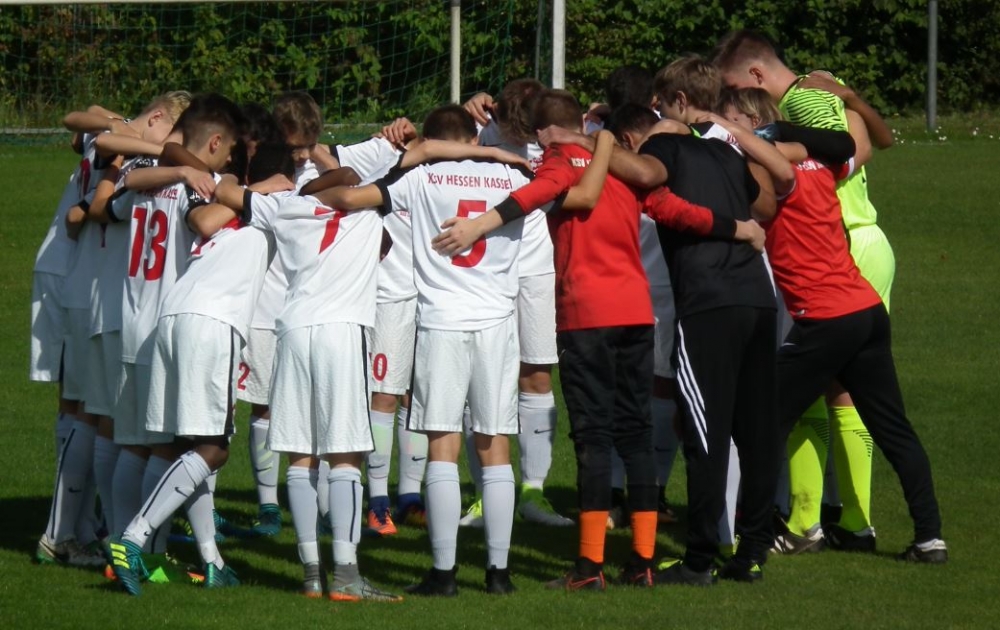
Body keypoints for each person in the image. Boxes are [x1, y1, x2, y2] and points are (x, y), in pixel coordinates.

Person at [533, 56, 788, 584]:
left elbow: (651, 180)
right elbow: (765, 201)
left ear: (677, 102)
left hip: (705, 300)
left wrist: (589, 141)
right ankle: (749, 552)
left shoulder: (664, 148)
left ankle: (696, 559)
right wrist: (738, 216)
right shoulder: (725, 149)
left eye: (662, 105)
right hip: (758, 298)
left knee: (700, 430)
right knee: (755, 428)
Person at [314, 104, 538, 596]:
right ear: (474, 140)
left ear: (431, 143)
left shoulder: (420, 177)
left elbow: (348, 198)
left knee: (443, 445)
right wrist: (497, 155)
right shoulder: (515, 176)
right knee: (495, 446)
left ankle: (443, 574)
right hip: (498, 323)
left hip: (441, 321)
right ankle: (499, 575)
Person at [719, 86, 948, 564]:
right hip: (865, 309)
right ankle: (930, 539)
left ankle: (753, 543)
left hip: (825, 320)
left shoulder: (769, 170)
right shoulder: (820, 161)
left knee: (762, 424)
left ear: (751, 122)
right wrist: (845, 107)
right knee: (893, 428)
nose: (723, 126)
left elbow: (758, 203)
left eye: (730, 117)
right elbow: (857, 146)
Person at [712, 30, 898, 551]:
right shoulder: (823, 84)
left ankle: (806, 520)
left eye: (735, 89)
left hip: (837, 244)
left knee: (815, 385)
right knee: (844, 386)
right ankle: (848, 519)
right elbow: (873, 143)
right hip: (859, 241)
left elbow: (846, 154)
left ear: (755, 75)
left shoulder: (800, 102)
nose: (737, 102)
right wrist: (853, 100)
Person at [108, 142, 292, 596]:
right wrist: (275, 186)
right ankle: (132, 539)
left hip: (172, 314)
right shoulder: (279, 204)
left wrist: (249, 185)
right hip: (213, 322)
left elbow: (182, 162)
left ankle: (211, 561)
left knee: (183, 447)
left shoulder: (224, 195)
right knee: (213, 449)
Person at [34, 94, 189, 568]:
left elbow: (85, 128)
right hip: (85, 284)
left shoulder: (124, 148)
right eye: (174, 136)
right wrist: (158, 149)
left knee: (88, 410)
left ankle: (82, 527)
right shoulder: (127, 150)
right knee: (87, 411)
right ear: (159, 119)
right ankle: (63, 532)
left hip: (93, 285)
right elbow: (88, 132)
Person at [460, 79, 571, 528]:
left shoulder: (555, 135)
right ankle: (484, 491)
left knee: (537, 374)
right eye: (516, 128)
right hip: (486, 268)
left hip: (536, 267)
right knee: (478, 377)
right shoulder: (479, 132)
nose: (526, 137)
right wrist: (468, 107)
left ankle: (533, 492)